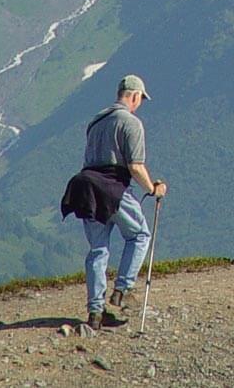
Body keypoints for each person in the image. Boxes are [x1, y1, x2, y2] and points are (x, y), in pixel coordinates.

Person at [60, 74, 167, 330]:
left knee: (98, 250)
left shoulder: (95, 122)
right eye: (140, 99)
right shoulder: (131, 123)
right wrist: (153, 189)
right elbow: (135, 166)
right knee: (140, 235)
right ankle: (123, 290)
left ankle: (95, 313)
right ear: (134, 95)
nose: (139, 103)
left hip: (84, 188)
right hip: (111, 187)